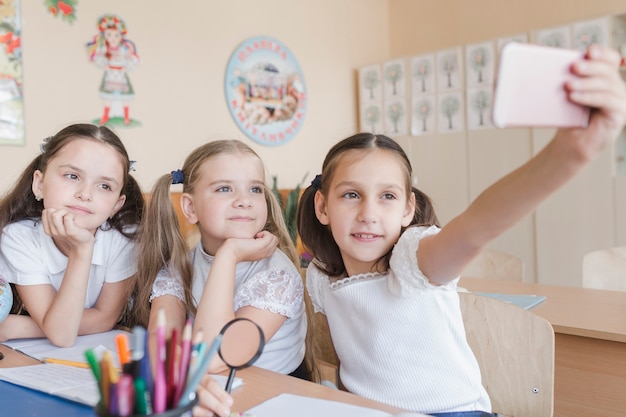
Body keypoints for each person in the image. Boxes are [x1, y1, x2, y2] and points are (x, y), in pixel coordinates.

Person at [296, 44, 626, 416]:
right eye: (351, 194)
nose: (369, 213)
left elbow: (474, 228)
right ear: (322, 206)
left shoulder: (412, 262)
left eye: (387, 196)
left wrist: (572, 152)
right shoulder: (321, 278)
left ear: (408, 210)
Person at [133, 139, 315, 384]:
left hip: (274, 397)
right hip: (210, 391)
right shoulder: (179, 268)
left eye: (255, 189)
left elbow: (211, 358)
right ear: (190, 207)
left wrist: (228, 255)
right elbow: (161, 345)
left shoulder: (276, 277)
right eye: (224, 189)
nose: (244, 200)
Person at [0, 123, 144, 347]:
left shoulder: (125, 239)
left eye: (104, 186)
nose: (85, 194)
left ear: (117, 204)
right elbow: (62, 334)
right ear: (39, 184)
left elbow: (100, 320)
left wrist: (19, 327)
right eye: (72, 176)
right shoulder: (19, 237)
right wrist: (82, 249)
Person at [86, 14, 140, 125]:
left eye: (116, 35)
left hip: (120, 76)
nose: (113, 38)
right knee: (108, 97)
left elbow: (132, 60)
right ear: (105, 36)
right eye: (109, 35)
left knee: (124, 98)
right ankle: (105, 116)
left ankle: (126, 117)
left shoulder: (124, 49)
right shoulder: (104, 49)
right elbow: (97, 58)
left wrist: (127, 67)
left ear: (120, 36)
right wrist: (103, 65)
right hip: (110, 75)